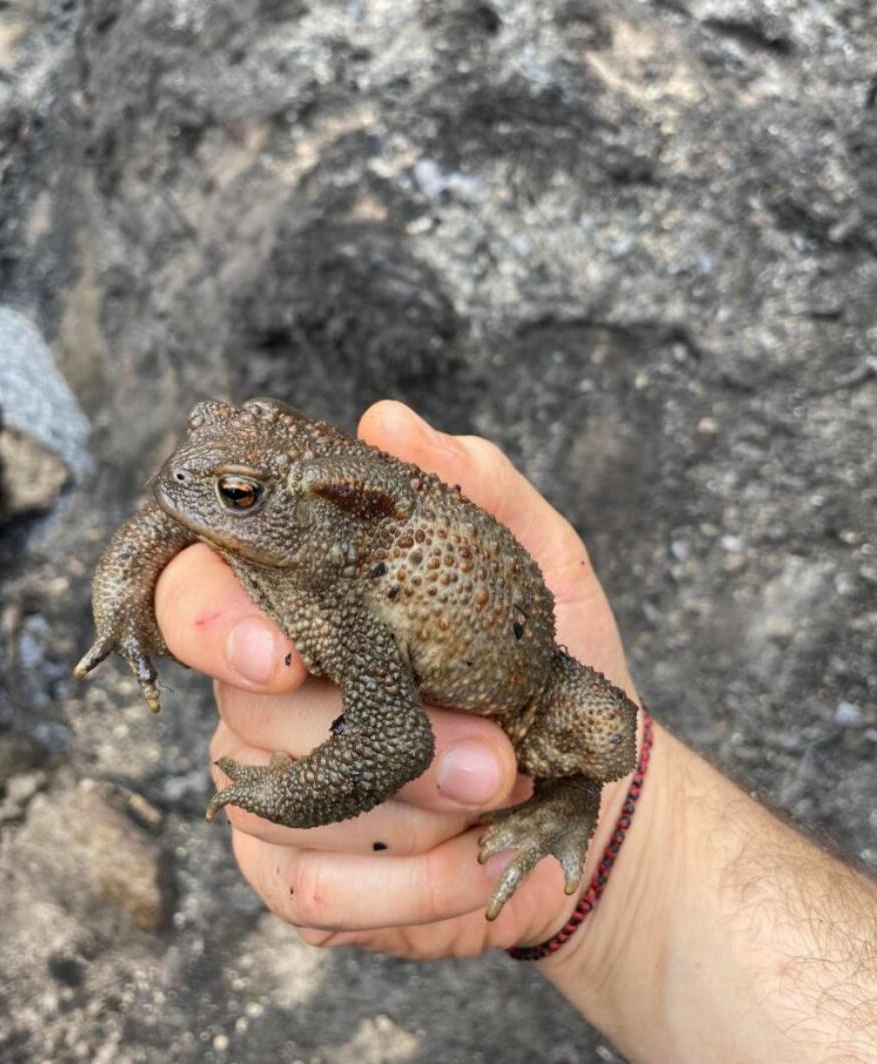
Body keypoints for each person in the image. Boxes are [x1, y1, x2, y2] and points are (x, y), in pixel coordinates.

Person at [154, 401, 877, 1063]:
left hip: (522, 690)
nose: (190, 477)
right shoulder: (299, 537)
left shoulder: (351, 590)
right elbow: (174, 504)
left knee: (607, 731)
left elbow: (394, 741)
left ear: (294, 507)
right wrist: (124, 601)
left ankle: (570, 805)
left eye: (239, 494)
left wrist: (282, 793)